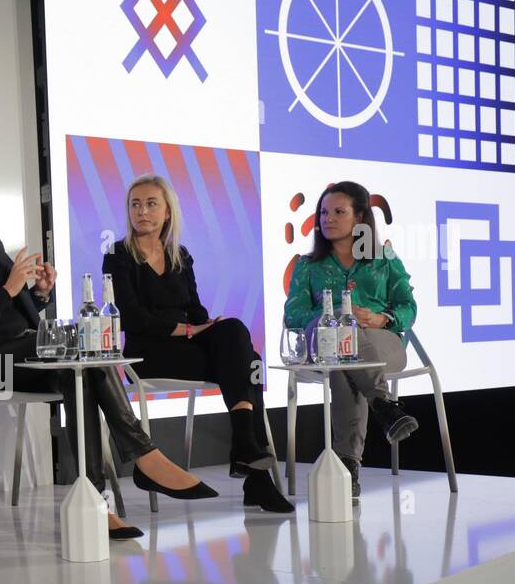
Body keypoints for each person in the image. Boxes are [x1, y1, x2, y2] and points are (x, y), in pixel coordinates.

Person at [0, 149, 216, 542]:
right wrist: (8, 288)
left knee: (81, 373)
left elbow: (18, 307)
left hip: (25, 350)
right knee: (80, 353)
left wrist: (39, 293)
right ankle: (143, 455)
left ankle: (94, 503)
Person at [103, 174, 295, 514]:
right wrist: (189, 331)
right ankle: (251, 465)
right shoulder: (118, 255)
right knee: (244, 360)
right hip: (147, 353)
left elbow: (196, 309)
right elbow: (132, 319)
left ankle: (248, 453)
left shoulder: (180, 255)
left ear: (166, 213)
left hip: (185, 345)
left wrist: (207, 325)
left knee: (239, 341)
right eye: (135, 204)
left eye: (150, 204)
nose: (141, 212)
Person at [283, 181, 419, 499]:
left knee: (345, 356)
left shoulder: (384, 258)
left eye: (338, 212)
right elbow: (294, 314)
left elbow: (408, 306)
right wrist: (327, 318)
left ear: (359, 217)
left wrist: (382, 318)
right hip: (324, 345)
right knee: (340, 338)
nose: (327, 218)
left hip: (383, 344)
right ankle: (384, 405)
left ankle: (348, 465)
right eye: (323, 212)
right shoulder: (307, 265)